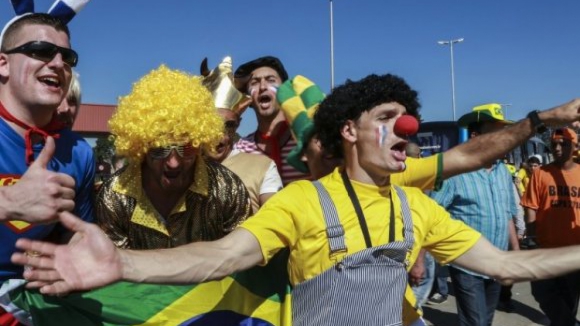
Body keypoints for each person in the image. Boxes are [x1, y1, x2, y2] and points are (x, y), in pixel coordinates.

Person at [12, 73, 580, 326]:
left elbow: (511, 265)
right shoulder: (301, 203)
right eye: (387, 118)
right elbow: (223, 257)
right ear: (350, 132)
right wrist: (125, 264)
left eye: (403, 118)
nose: (405, 125)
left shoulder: (418, 206)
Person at [94, 65, 251, 249]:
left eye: (186, 148)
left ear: (200, 142)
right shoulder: (115, 196)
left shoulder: (228, 189)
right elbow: (115, 267)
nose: (173, 163)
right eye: (160, 149)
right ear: (142, 147)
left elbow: (241, 258)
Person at [0, 12, 94, 279]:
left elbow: (76, 233)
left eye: (67, 57)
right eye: (41, 51)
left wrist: (71, 254)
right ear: (3, 64)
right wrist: (7, 202)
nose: (57, 63)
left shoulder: (79, 152)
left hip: (32, 300)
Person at [430, 104, 520, 326]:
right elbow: (430, 214)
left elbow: (507, 212)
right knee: (475, 322)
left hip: (497, 260)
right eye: (496, 133)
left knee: (485, 320)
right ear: (476, 137)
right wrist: (422, 260)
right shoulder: (454, 172)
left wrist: (516, 251)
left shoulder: (502, 171)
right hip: (467, 262)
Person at [201, 57, 282, 213]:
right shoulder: (182, 166)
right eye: (212, 125)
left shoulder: (262, 167)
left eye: (229, 126)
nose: (221, 137)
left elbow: (276, 218)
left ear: (238, 124)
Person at [521, 127, 580, 326]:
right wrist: (531, 239)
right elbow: (531, 207)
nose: (557, 148)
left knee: (570, 297)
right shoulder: (540, 174)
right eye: (554, 144)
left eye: (563, 144)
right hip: (545, 248)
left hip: (574, 252)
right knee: (541, 291)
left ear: (575, 146)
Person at [233, 56, 310, 185]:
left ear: (285, 91)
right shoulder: (241, 150)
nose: (263, 86)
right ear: (248, 99)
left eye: (270, 80)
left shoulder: (307, 140)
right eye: (255, 83)